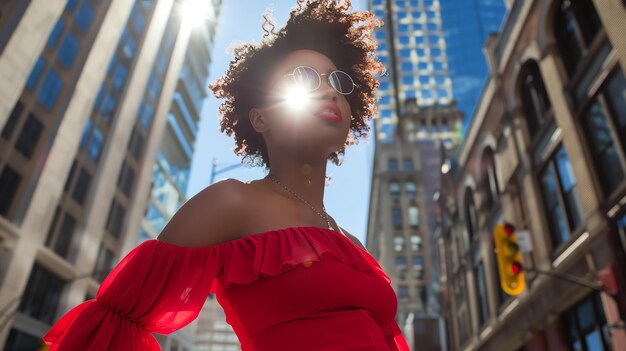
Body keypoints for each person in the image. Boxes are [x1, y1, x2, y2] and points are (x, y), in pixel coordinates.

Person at [42, 0, 410, 350]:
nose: (330, 90)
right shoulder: (231, 203)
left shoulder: (355, 246)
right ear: (260, 118)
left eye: (338, 81)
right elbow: (115, 320)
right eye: (304, 79)